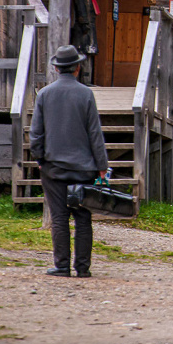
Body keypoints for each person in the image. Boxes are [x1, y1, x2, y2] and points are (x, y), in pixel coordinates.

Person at [30, 45, 109, 278]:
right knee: (83, 218)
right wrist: (102, 166)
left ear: (56, 68)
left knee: (59, 217)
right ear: (77, 67)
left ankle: (62, 265)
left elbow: (36, 133)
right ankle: (83, 267)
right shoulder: (86, 94)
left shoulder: (44, 94)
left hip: (53, 167)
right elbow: (95, 133)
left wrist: (40, 158)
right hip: (84, 168)